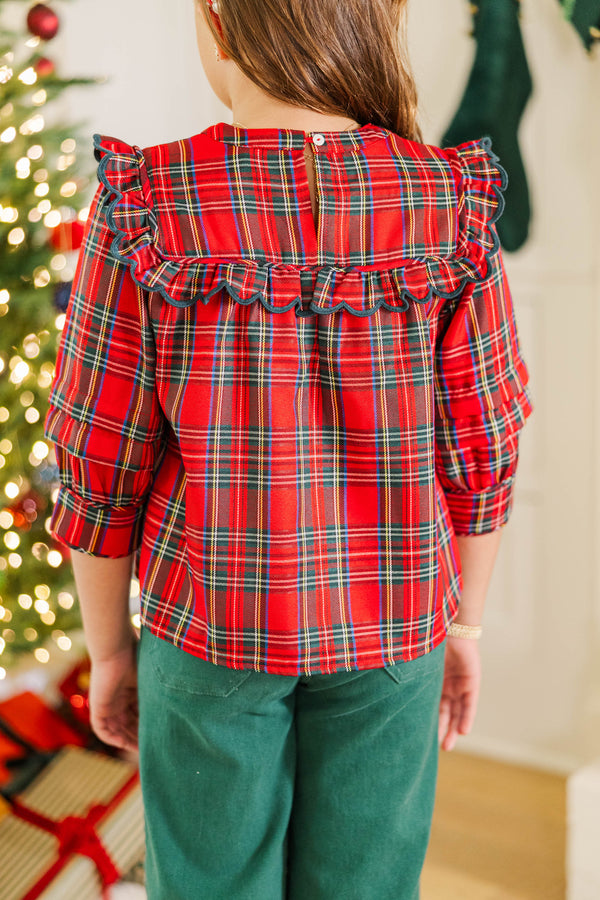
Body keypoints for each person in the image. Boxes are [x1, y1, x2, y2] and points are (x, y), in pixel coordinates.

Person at [43, 0, 533, 897]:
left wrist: (110, 652)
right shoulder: (447, 200)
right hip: (398, 629)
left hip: (208, 629)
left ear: (220, 23)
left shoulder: (147, 202)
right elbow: (485, 445)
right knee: (368, 883)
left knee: (211, 884)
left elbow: (95, 459)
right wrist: (462, 626)